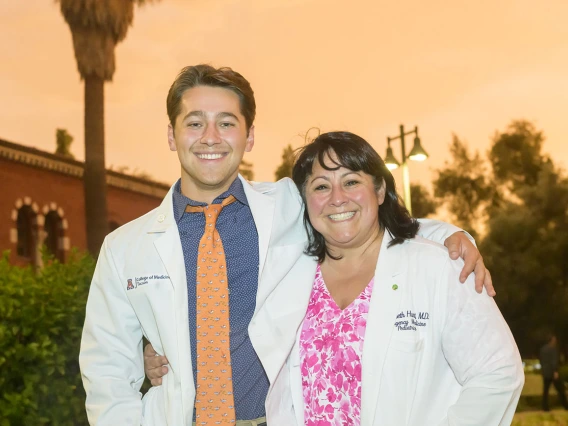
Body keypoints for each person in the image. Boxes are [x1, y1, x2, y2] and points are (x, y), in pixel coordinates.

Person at [80, 65, 492, 426]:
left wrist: (452, 238)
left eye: (226, 122)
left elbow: (364, 217)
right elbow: (107, 369)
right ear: (171, 135)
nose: (210, 137)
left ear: (249, 135)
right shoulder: (124, 249)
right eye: (194, 123)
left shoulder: (289, 205)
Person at [539, 334, 568, 411]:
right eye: (554, 340)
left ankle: (545, 407)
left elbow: (541, 361)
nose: (555, 341)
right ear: (551, 341)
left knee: (546, 391)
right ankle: (565, 405)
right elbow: (554, 361)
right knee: (561, 389)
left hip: (545, 372)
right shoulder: (553, 349)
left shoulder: (543, 349)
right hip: (552, 373)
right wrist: (555, 371)